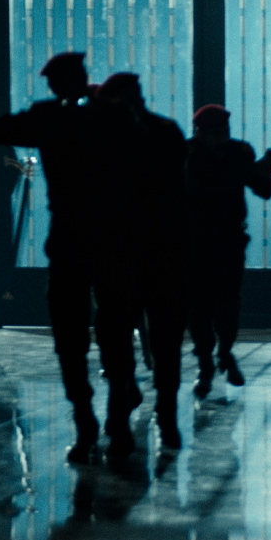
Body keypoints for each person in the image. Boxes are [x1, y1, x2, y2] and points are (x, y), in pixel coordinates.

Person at [0, 52, 142, 462]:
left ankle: (86, 421)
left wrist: (45, 112)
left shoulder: (51, 118)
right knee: (115, 331)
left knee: (70, 338)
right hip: (112, 236)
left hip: (71, 237)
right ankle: (117, 421)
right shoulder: (112, 117)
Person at [93, 73, 188, 451]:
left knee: (115, 336)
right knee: (166, 338)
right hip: (164, 249)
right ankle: (167, 415)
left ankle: (119, 413)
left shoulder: (104, 136)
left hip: (118, 250)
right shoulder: (167, 131)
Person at [183, 104, 271, 398]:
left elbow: (262, 190)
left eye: (224, 130)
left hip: (227, 238)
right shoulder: (188, 154)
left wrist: (265, 171)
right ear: (200, 132)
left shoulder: (237, 152)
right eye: (215, 131)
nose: (222, 136)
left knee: (227, 302)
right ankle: (208, 361)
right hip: (196, 241)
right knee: (200, 305)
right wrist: (252, 170)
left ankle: (223, 353)